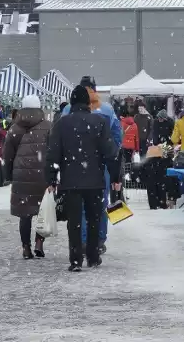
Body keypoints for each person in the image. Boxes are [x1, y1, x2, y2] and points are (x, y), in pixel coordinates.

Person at [47, 85, 119, 272]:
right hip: (95, 180)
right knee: (94, 219)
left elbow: (53, 153)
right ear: (88, 103)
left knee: (74, 222)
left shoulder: (62, 124)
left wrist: (51, 179)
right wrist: (115, 176)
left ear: (71, 102)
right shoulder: (100, 122)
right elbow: (110, 152)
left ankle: (76, 259)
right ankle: (93, 256)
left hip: (71, 181)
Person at [61, 76, 122, 255]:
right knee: (99, 204)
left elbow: (60, 137)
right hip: (99, 166)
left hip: (73, 166)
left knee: (77, 205)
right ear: (95, 89)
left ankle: (82, 239)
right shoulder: (107, 110)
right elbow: (116, 138)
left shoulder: (67, 110)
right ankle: (99, 240)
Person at [4, 95, 52, 259]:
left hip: (21, 175)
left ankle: (26, 247)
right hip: (42, 175)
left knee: (25, 214)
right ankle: (39, 242)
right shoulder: (48, 127)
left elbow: (8, 155)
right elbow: (53, 152)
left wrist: (8, 175)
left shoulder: (14, 128)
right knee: (42, 211)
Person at [139, 144, 178, 209]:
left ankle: (153, 205)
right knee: (161, 189)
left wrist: (143, 179)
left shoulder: (146, 163)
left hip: (150, 178)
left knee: (151, 190)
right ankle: (162, 204)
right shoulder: (164, 161)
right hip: (161, 178)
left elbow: (142, 173)